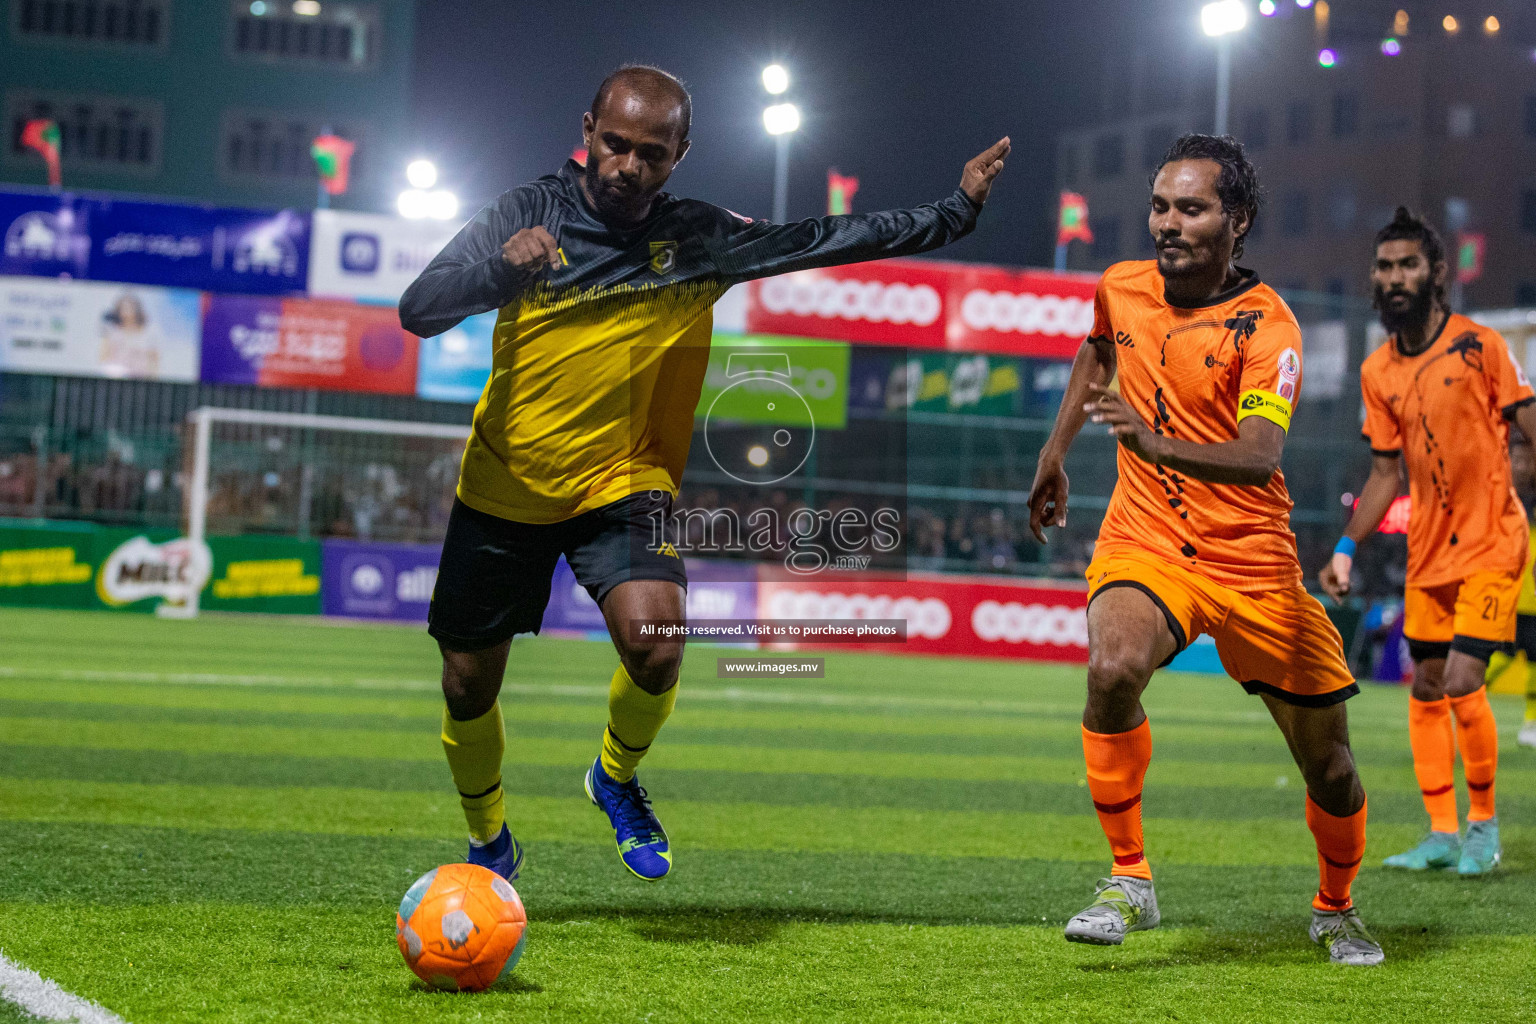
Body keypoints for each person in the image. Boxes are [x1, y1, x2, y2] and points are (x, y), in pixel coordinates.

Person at [399, 64, 1008, 884]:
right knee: (468, 685)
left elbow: (825, 238)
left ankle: (613, 779)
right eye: (614, 144)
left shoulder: (698, 238)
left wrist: (954, 212)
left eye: (651, 152)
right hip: (504, 489)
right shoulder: (526, 214)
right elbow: (420, 309)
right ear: (586, 131)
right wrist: (498, 272)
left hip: (622, 483)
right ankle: (489, 843)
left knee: (657, 644)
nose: (627, 165)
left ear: (681, 153)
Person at [1028, 134, 1382, 966]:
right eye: (1160, 206)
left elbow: (1260, 453)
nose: (1169, 224)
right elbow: (1099, 346)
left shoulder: (1271, 328)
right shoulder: (1121, 286)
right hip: (1146, 537)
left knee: (1330, 767)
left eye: (1192, 208)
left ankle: (1336, 907)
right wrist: (1056, 452)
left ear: (1239, 221)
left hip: (1254, 563)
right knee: (1112, 670)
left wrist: (1153, 443)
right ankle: (1129, 880)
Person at [1321, 208, 1536, 875]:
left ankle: (1482, 828)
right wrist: (1346, 547)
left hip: (1494, 538)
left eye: (1407, 264)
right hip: (1429, 550)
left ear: (1435, 273)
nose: (1394, 278)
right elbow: (1386, 474)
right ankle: (1440, 834)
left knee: (1466, 681)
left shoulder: (1479, 346)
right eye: (1384, 267)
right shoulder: (1378, 371)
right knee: (1426, 688)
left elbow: (1529, 424)